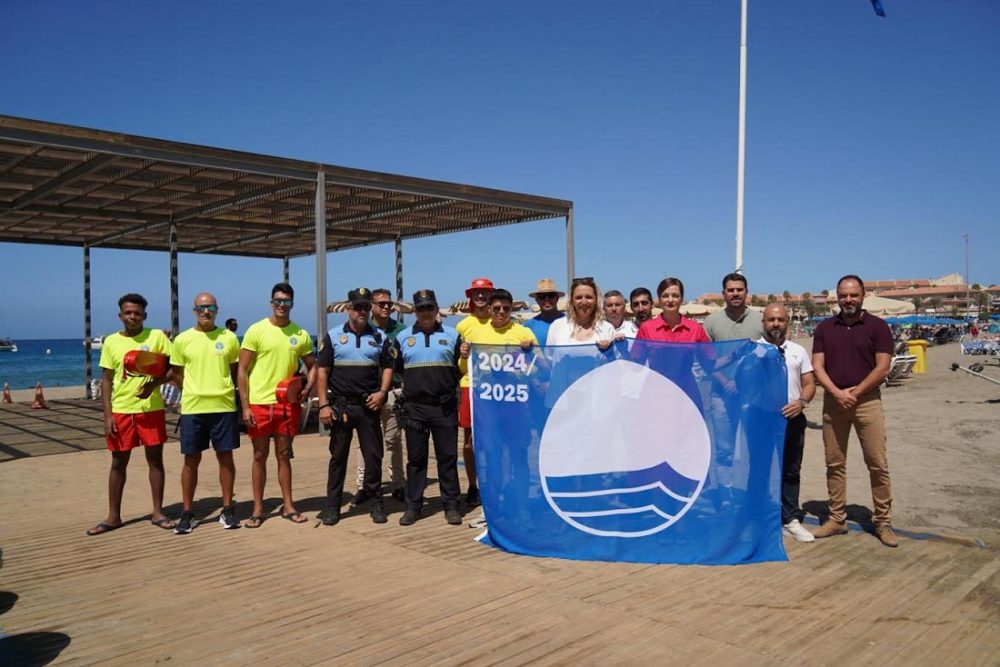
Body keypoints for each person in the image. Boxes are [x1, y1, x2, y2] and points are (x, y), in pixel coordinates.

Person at [811, 275, 897, 547]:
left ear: (862, 296)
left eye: (853, 295)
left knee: (877, 463)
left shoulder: (878, 326)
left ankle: (883, 522)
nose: (848, 300)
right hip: (834, 402)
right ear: (837, 297)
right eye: (843, 295)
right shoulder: (825, 328)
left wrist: (856, 392)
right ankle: (837, 519)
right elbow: (817, 365)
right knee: (834, 463)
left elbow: (883, 367)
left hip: (867, 402)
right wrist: (837, 393)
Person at [87, 293, 175, 535]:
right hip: (121, 411)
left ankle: (158, 512)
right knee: (118, 462)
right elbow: (106, 381)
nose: (133, 316)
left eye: (137, 313)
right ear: (120, 316)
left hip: (151, 410)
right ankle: (113, 517)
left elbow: (174, 368)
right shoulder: (112, 342)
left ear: (144, 315)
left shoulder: (156, 337)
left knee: (155, 461)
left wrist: (152, 386)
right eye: (128, 312)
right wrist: (107, 416)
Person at [459, 288, 540, 527]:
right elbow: (466, 370)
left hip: (515, 406)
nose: (502, 312)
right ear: (489, 309)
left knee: (519, 457)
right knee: (491, 458)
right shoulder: (476, 332)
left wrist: (526, 355)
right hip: (489, 407)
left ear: (511, 308)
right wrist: (464, 355)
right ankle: (491, 509)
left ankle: (522, 507)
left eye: (506, 308)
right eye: (497, 308)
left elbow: (536, 368)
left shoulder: (523, 333)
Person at [237, 282, 315, 528]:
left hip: (286, 405)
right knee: (259, 455)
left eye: (287, 302)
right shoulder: (256, 330)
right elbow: (242, 370)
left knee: (284, 455)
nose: (282, 305)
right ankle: (258, 509)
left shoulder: (300, 334)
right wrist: (246, 406)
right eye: (278, 301)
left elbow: (313, 366)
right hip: (260, 404)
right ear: (272, 303)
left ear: (292, 304)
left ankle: (288, 506)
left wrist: (307, 388)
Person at [316, 288, 394, 526]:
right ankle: (332, 506)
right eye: (357, 307)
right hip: (341, 407)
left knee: (373, 457)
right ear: (348, 308)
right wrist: (323, 406)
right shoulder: (333, 335)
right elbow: (322, 372)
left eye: (365, 307)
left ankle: (376, 503)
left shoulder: (380, 336)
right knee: (338, 458)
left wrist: (382, 393)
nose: (362, 311)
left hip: (368, 406)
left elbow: (388, 366)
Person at [169, 292, 241, 534]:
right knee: (191, 461)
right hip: (193, 409)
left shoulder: (229, 338)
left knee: (226, 458)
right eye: (201, 308)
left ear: (217, 310)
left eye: (210, 307)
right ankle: (187, 512)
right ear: (194, 311)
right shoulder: (181, 340)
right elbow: (176, 373)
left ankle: (228, 508)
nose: (206, 312)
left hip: (223, 407)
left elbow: (234, 371)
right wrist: (193, 390)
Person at [393, 289, 463, 526]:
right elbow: (398, 368)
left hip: (444, 407)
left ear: (436, 309)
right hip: (415, 408)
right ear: (414, 311)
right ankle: (413, 507)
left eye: (429, 307)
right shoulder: (403, 337)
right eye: (421, 308)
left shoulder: (454, 336)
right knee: (416, 460)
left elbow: (461, 367)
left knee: (448, 458)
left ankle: (452, 506)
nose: (425, 312)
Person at [758, 304, 816, 543]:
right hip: (761, 421)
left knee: (791, 470)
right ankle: (760, 516)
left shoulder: (798, 351)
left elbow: (810, 383)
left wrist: (801, 402)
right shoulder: (752, 350)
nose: (775, 324)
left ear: (787, 322)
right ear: (763, 322)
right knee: (760, 470)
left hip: (792, 419)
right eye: (771, 319)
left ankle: (790, 518)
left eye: (780, 320)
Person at [351, 287, 406, 506]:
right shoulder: (364, 328)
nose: (386, 307)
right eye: (381, 303)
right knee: (364, 443)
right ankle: (363, 485)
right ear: (371, 306)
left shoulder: (400, 329)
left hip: (393, 391)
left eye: (389, 304)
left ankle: (398, 484)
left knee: (394, 440)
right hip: (368, 393)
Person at [634, 278, 710, 408]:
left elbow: (710, 362)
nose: (670, 300)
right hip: (656, 392)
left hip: (687, 393)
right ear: (659, 299)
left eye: (675, 295)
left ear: (682, 299)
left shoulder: (695, 328)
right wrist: (619, 346)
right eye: (665, 296)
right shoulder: (646, 328)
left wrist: (736, 354)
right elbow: (635, 363)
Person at [455, 277, 494, 506]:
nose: (481, 296)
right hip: (469, 385)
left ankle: (493, 484)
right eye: (476, 293)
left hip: (494, 387)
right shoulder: (463, 326)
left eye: (485, 293)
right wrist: (462, 356)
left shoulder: (499, 320)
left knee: (494, 440)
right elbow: (460, 367)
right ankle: (472, 485)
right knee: (469, 442)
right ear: (470, 297)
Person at [546, 277, 614, 347]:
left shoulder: (607, 328)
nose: (584, 302)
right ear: (572, 301)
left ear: (596, 300)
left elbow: (617, 356)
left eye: (588, 297)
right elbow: (549, 357)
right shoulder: (557, 326)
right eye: (578, 297)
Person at [704, 272, 763, 342]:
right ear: (723, 294)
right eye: (730, 290)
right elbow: (705, 351)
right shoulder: (711, 322)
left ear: (746, 292)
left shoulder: (761, 320)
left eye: (740, 290)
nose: (735, 294)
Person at [523, 278, 565, 344]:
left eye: (551, 296)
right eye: (542, 297)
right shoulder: (529, 326)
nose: (547, 299)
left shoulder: (569, 322)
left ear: (557, 298)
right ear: (537, 300)